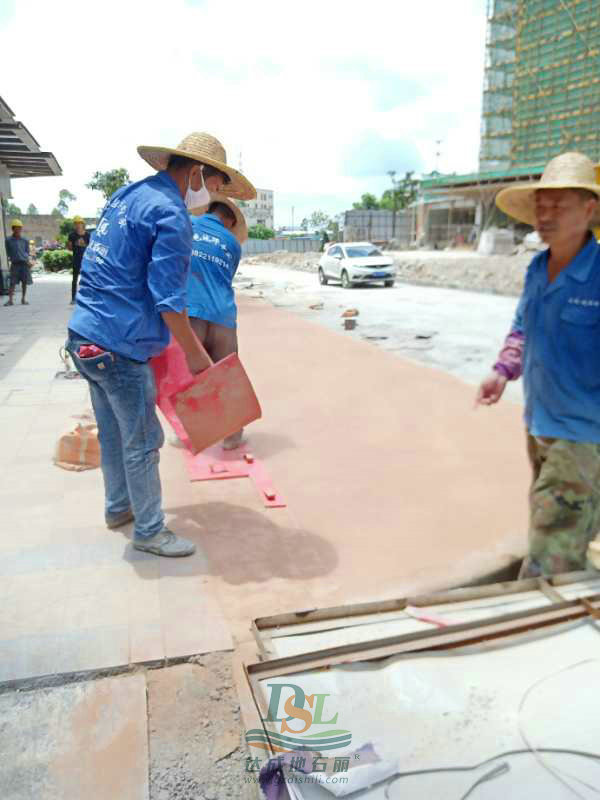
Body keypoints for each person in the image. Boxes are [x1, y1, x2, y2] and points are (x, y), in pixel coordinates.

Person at [66, 132, 256, 558]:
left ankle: (119, 508)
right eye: (213, 187)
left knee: (114, 432)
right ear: (195, 174)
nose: (208, 199)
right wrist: (194, 355)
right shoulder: (171, 215)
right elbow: (170, 300)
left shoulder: (127, 195)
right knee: (144, 439)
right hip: (119, 344)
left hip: (84, 334)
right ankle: (150, 530)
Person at [476, 152, 600, 578]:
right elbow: (521, 328)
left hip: (582, 439)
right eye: (541, 205)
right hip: (539, 426)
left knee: (550, 552)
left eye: (558, 206)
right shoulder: (536, 268)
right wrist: (503, 371)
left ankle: (538, 624)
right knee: (561, 530)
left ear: (589, 209)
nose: (545, 215)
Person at [186, 193, 248, 450]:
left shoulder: (188, 225)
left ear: (209, 210)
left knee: (189, 377)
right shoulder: (233, 245)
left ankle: (188, 433)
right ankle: (232, 436)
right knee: (227, 376)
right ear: (231, 221)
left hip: (192, 314)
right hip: (223, 316)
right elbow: (226, 277)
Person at [4, 219, 32, 307]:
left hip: (24, 263)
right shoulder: (8, 240)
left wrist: (28, 260)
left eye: (20, 228)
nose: (18, 230)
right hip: (15, 264)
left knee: (24, 282)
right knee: (12, 282)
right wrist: (11, 259)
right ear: (13, 229)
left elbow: (27, 252)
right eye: (16, 228)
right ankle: (10, 300)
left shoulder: (25, 240)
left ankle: (23, 299)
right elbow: (8, 252)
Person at [66, 216, 90, 304]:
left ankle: (87, 298)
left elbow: (91, 247)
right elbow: (69, 248)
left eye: (79, 223)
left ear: (83, 224)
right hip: (76, 259)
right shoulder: (72, 235)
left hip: (86, 260)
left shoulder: (87, 235)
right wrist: (70, 244)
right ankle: (73, 298)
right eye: (76, 224)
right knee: (74, 279)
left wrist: (84, 245)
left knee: (87, 279)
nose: (78, 225)